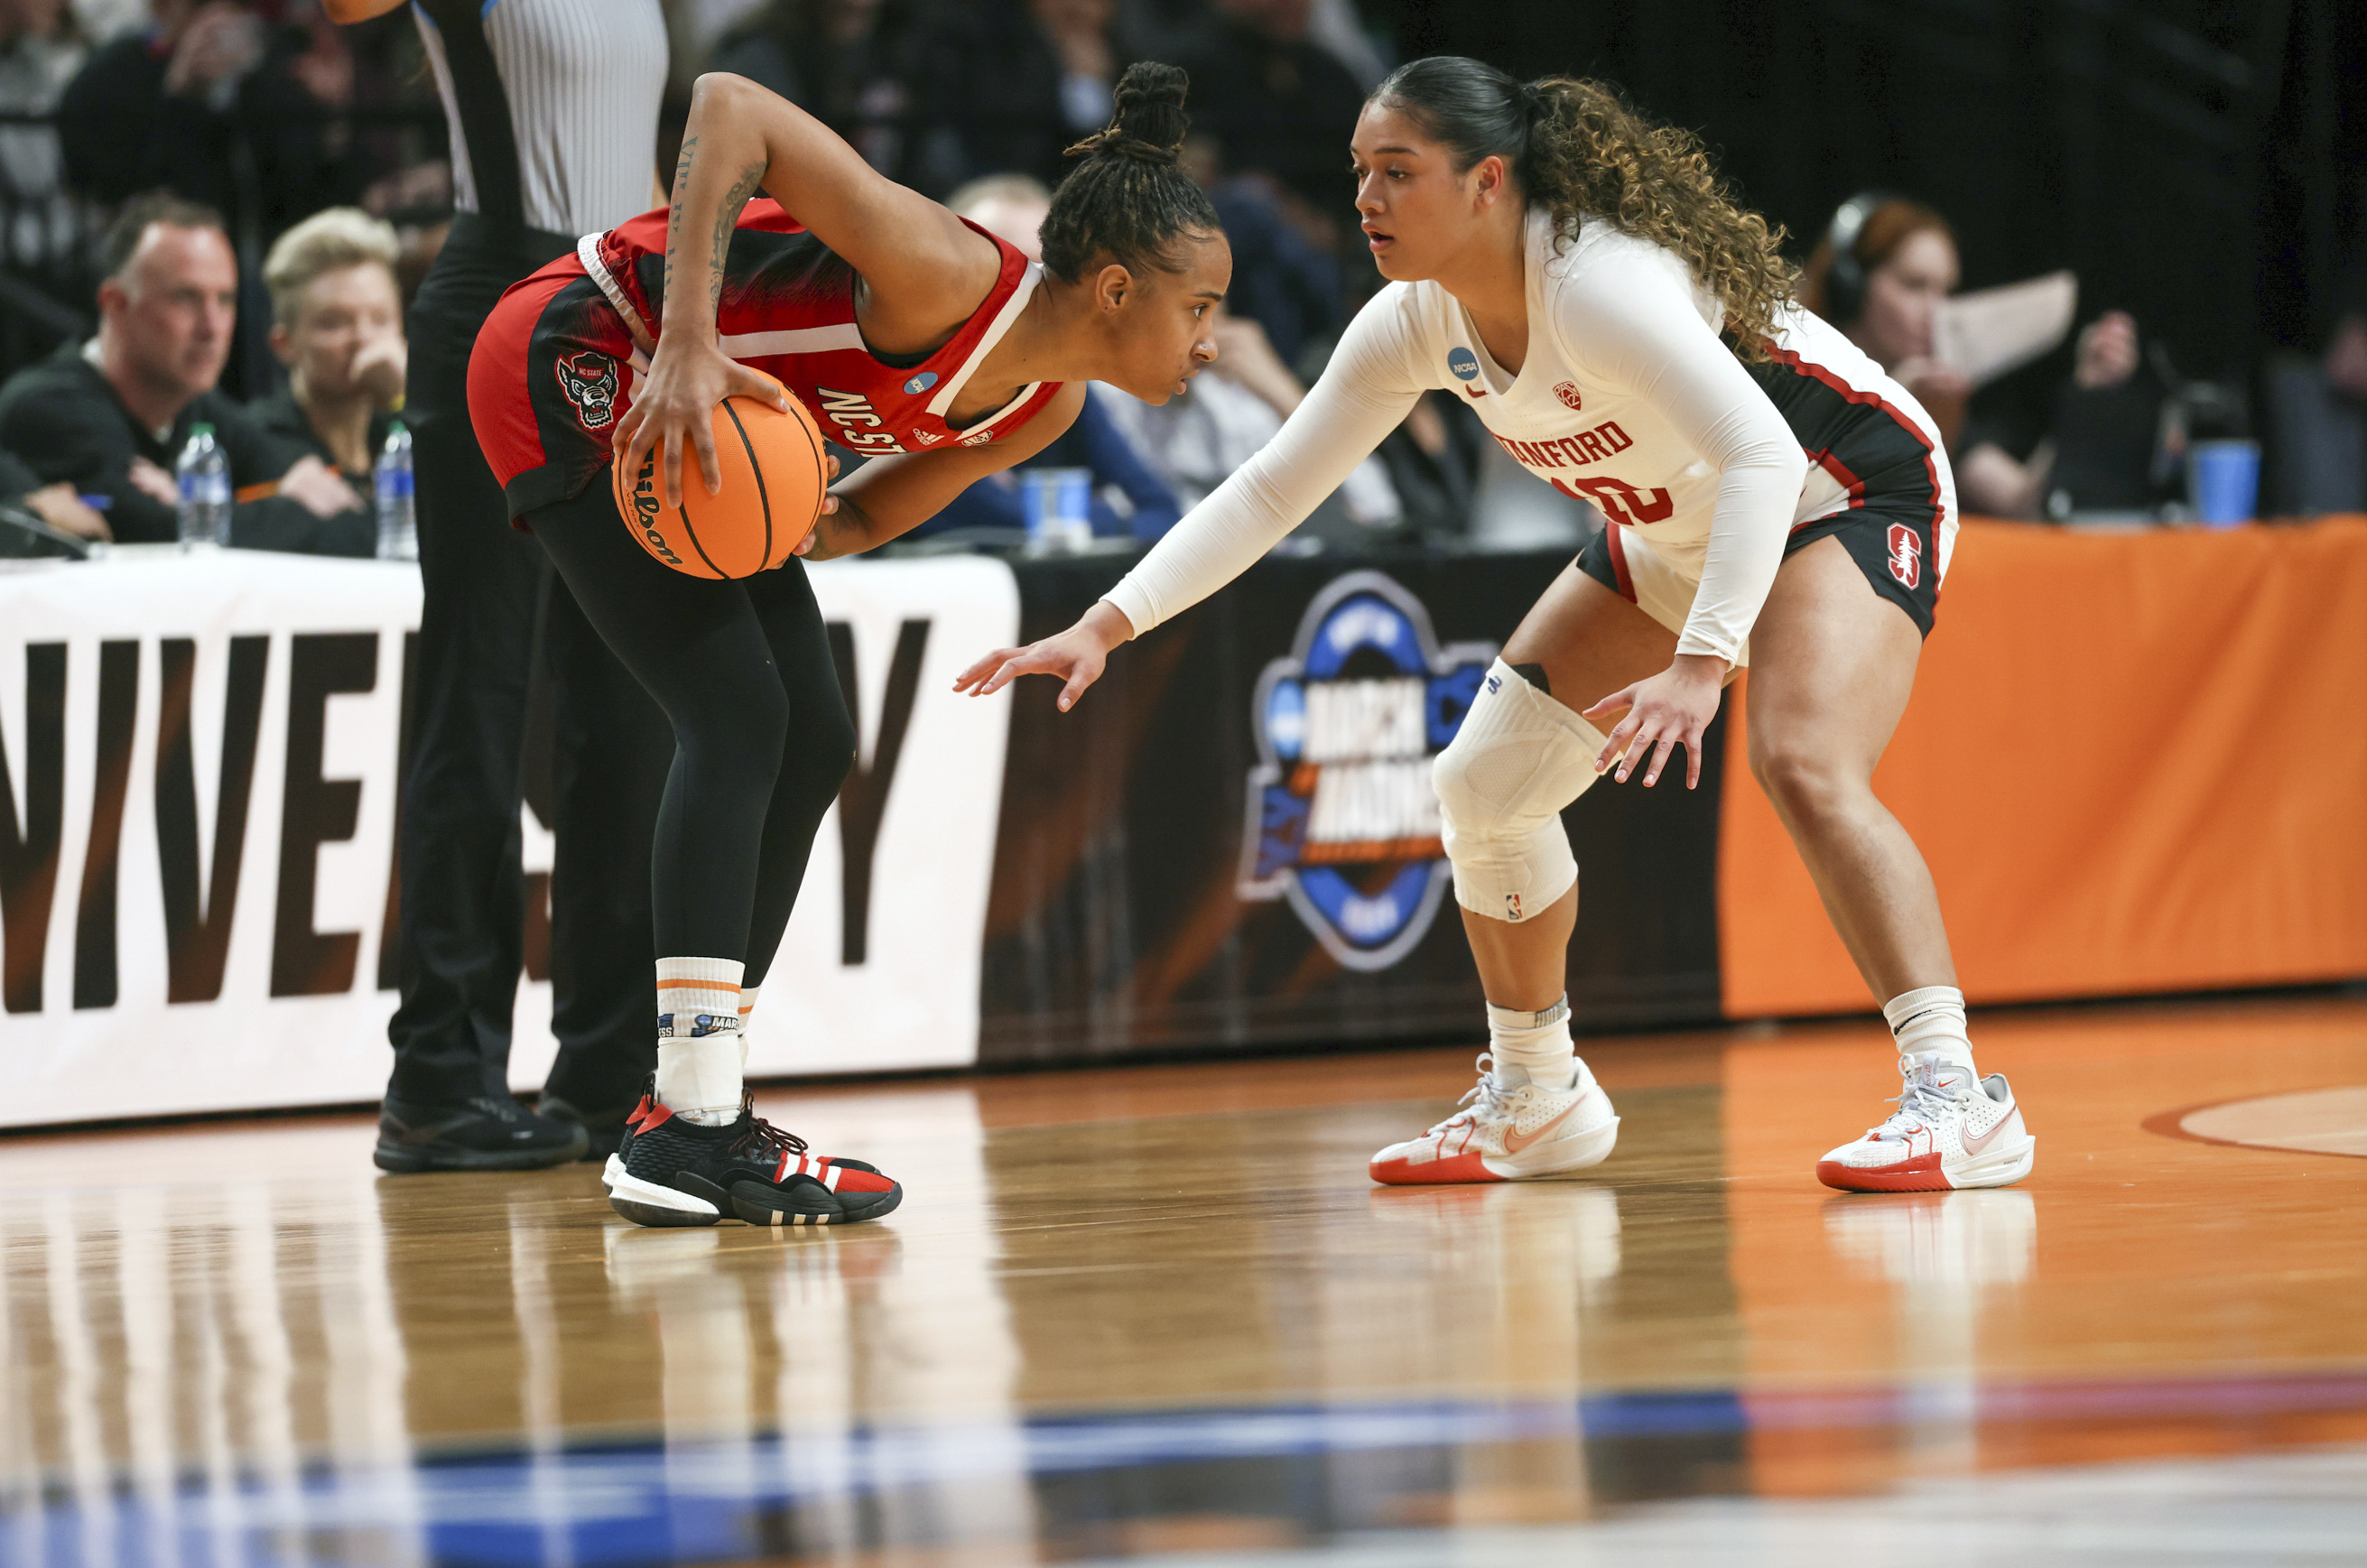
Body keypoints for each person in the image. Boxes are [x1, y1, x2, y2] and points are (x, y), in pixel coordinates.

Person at [961, 57, 2038, 1197]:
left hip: (1843, 485)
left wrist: (1703, 662)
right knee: (1485, 783)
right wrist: (1108, 623)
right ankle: (1538, 1093)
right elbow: (1274, 491)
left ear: (1487, 182)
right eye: (1359, 173)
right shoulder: (1415, 325)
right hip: (1679, 524)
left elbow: (1764, 453)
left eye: (1397, 172)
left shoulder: (1598, 285)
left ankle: (1957, 1099)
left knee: (1803, 761)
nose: (1366, 198)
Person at [466, 61, 1227, 1227]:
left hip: (694, 429)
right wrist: (682, 344)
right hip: (579, 345)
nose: (1212, 344)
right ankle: (694, 1120)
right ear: (1117, 290)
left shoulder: (1045, 407)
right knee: (737, 717)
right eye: (1202, 311)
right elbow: (730, 104)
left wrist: (787, 516)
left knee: (812, 737)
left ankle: (689, 1109)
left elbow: (860, 515)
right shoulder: (947, 273)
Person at [324, 0, 676, 1175]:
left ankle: (609, 1072)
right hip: (499, 303)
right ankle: (439, 1074)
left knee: (624, 713)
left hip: (619, 315)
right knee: (476, 700)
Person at [0, 191, 370, 552]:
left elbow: (348, 509)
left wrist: (191, 512)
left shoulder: (196, 406)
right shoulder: (50, 406)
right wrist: (290, 507)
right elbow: (146, 535)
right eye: (186, 298)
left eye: (225, 300)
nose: (212, 327)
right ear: (115, 304)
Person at [1798, 194, 2147, 519]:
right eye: (1915, 285)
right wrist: (1889, 408)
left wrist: (2086, 392)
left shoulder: (1934, 403)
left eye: (1947, 291)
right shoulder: (1794, 384)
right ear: (1851, 288)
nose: (1937, 312)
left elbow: (2025, 504)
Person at [253, 206, 403, 509]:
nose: (363, 338)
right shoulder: (255, 441)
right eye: (334, 322)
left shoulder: (407, 428)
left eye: (380, 318)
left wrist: (405, 398)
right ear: (284, 344)